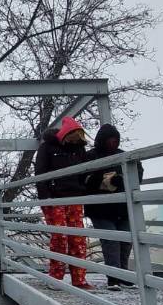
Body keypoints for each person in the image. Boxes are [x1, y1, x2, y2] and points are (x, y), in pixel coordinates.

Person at [34, 117, 92, 290]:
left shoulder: (79, 149)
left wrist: (83, 190)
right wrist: (46, 199)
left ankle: (79, 279)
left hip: (75, 198)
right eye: (73, 136)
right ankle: (56, 277)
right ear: (65, 134)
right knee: (60, 237)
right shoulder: (47, 147)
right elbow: (40, 173)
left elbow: (86, 171)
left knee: (78, 239)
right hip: (55, 199)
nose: (75, 140)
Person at [83, 124, 142, 291]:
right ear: (102, 140)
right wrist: (100, 179)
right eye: (109, 139)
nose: (112, 142)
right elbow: (83, 181)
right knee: (111, 241)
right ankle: (114, 277)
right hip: (100, 209)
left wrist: (121, 180)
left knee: (125, 241)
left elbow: (138, 174)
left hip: (122, 208)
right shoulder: (90, 157)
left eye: (115, 139)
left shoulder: (124, 156)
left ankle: (123, 275)